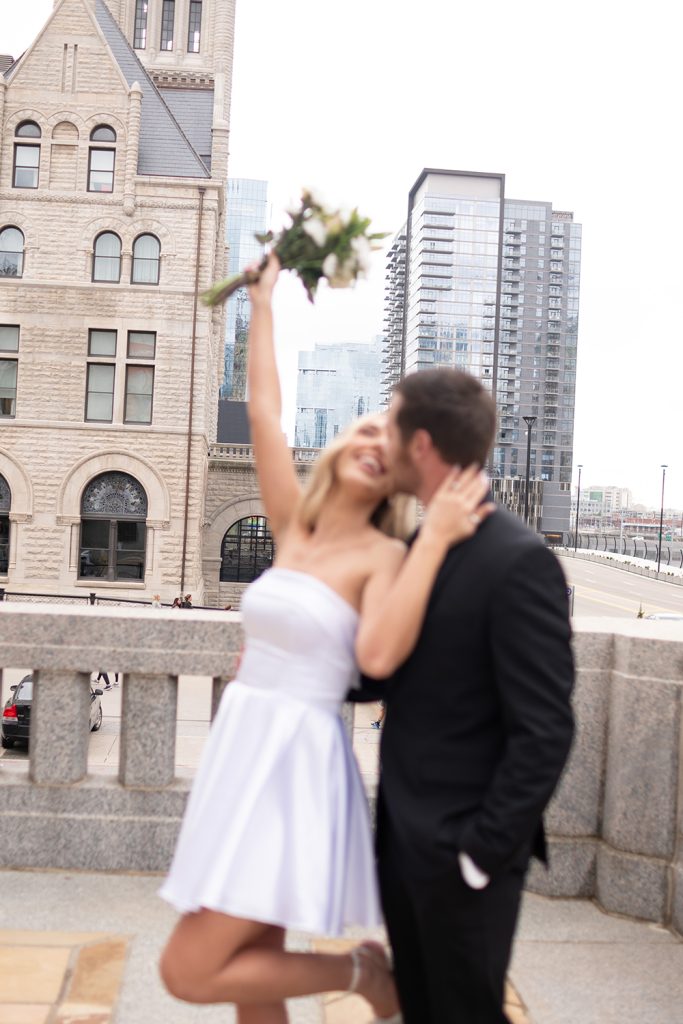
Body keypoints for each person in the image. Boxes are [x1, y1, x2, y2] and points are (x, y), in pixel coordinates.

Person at [159, 254, 492, 1023]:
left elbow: (375, 658)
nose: (376, 442)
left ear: (403, 472)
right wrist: (264, 299)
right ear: (343, 436)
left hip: (296, 761)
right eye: (369, 426)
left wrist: (436, 537)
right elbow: (266, 411)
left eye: (394, 441)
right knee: (252, 972)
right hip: (243, 744)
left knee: (191, 968)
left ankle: (362, 973)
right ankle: (360, 974)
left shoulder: (387, 557)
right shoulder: (293, 526)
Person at [357, 368, 575, 1023]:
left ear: (419, 443)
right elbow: (379, 673)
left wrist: (478, 857)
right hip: (403, 845)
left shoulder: (519, 559)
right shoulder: (423, 541)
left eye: (389, 425)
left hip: (462, 860)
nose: (382, 442)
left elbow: (544, 731)